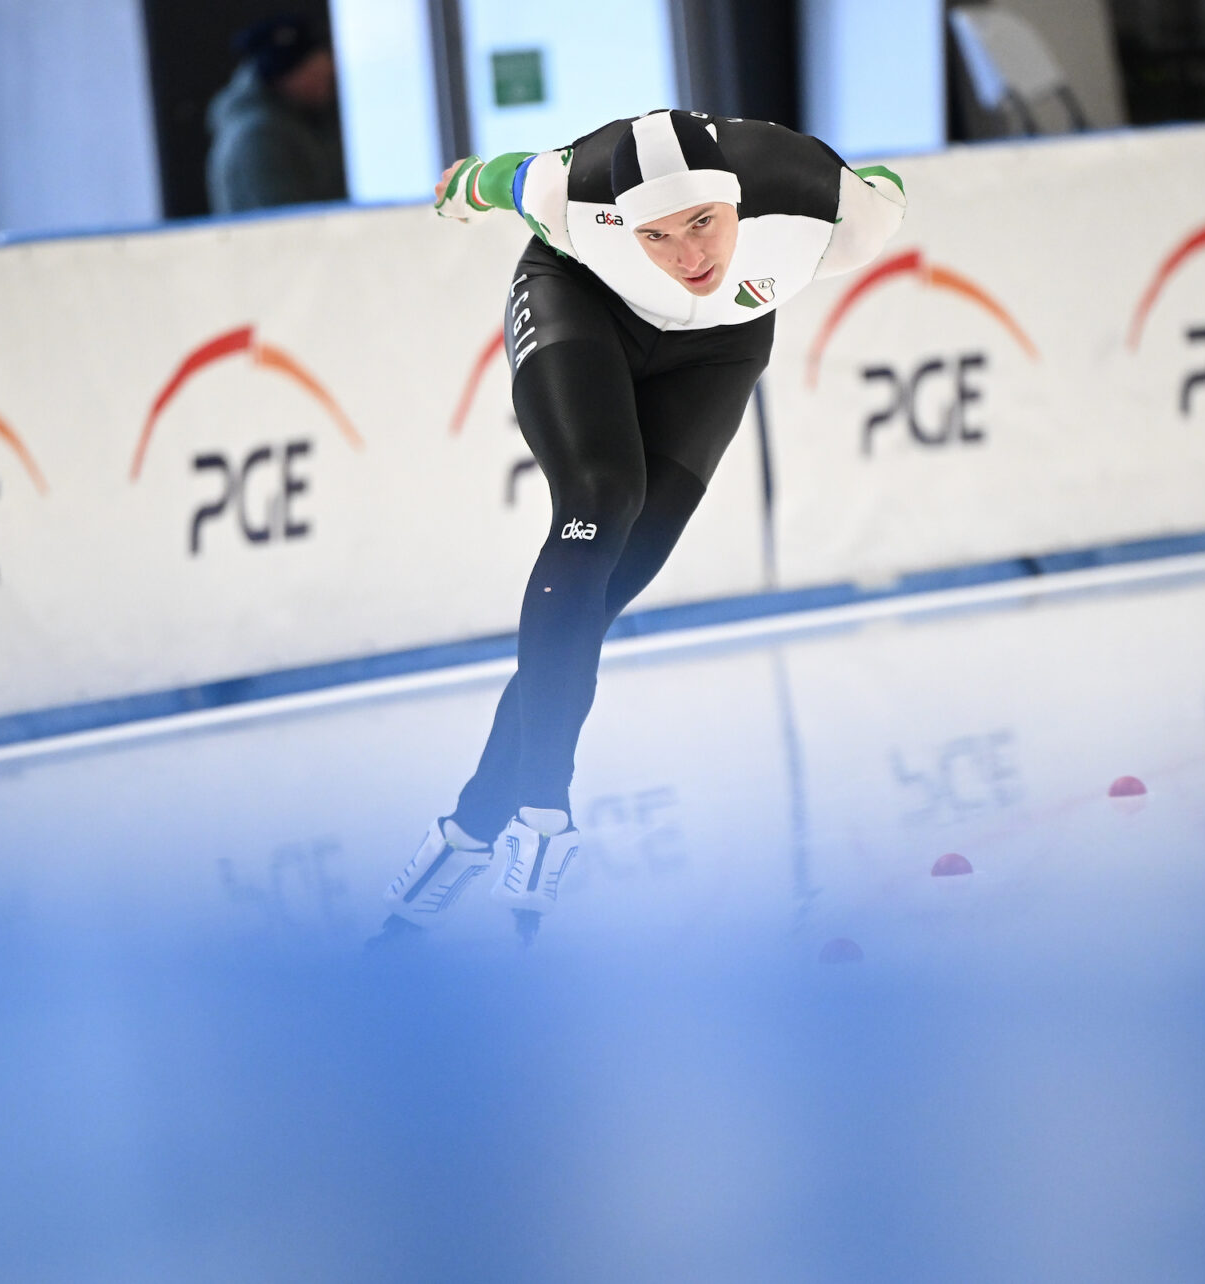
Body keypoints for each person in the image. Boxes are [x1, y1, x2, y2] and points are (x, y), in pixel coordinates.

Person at [375, 110, 906, 943]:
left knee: (601, 595)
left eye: (703, 222)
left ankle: (468, 832)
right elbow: (497, 179)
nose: (689, 256)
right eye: (656, 235)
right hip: (581, 298)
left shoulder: (829, 212)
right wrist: (461, 187)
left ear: (738, 199)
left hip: (720, 347)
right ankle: (545, 815)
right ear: (622, 221)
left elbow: (888, 189)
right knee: (600, 499)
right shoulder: (567, 194)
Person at [205, 16, 346, 214]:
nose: (326, 79)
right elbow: (280, 222)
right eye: (313, 72)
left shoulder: (301, 120)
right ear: (284, 74)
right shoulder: (258, 135)